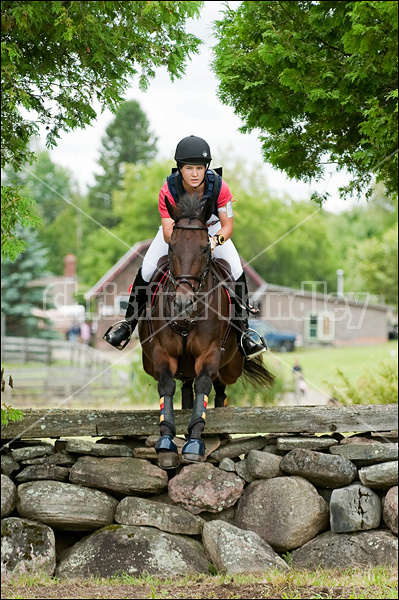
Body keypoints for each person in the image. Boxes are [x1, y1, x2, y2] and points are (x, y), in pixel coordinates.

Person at [104, 135, 266, 359]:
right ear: (180, 168)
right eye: (189, 168)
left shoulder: (220, 187)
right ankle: (128, 325)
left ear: (206, 168)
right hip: (177, 232)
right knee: (147, 270)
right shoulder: (168, 190)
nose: (194, 174)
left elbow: (227, 226)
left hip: (211, 229)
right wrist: (187, 245)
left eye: (199, 168)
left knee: (237, 271)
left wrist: (212, 241)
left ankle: (244, 333)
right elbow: (169, 232)